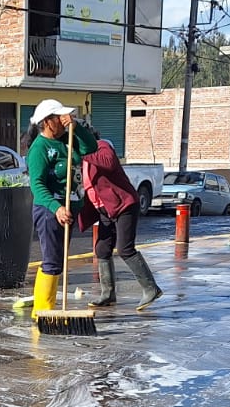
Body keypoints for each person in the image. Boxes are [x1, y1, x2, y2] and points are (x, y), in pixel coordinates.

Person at [25, 98, 96, 315]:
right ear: (47, 121)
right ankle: (43, 312)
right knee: (52, 261)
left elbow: (90, 147)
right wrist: (56, 207)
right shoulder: (40, 148)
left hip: (69, 210)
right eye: (59, 117)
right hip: (50, 212)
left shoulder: (68, 139)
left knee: (58, 261)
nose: (63, 120)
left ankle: (49, 309)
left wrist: (77, 127)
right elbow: (36, 184)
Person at [79, 137, 161, 310]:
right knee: (102, 248)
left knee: (125, 248)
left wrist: (85, 154)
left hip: (124, 205)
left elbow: (109, 162)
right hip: (105, 209)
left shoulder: (102, 146)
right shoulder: (83, 159)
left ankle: (150, 288)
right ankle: (107, 293)